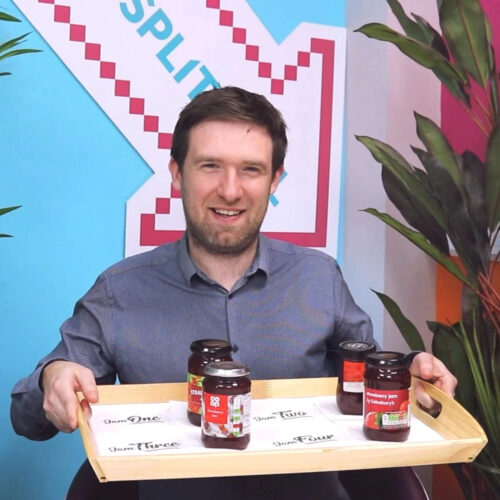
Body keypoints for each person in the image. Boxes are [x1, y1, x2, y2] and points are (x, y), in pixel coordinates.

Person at [11, 86, 456, 499]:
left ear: (275, 179)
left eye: (251, 170)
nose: (229, 190)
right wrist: (52, 377)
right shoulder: (118, 291)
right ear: (176, 174)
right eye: (210, 166)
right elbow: (28, 420)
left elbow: (370, 383)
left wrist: (413, 384)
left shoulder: (319, 278)